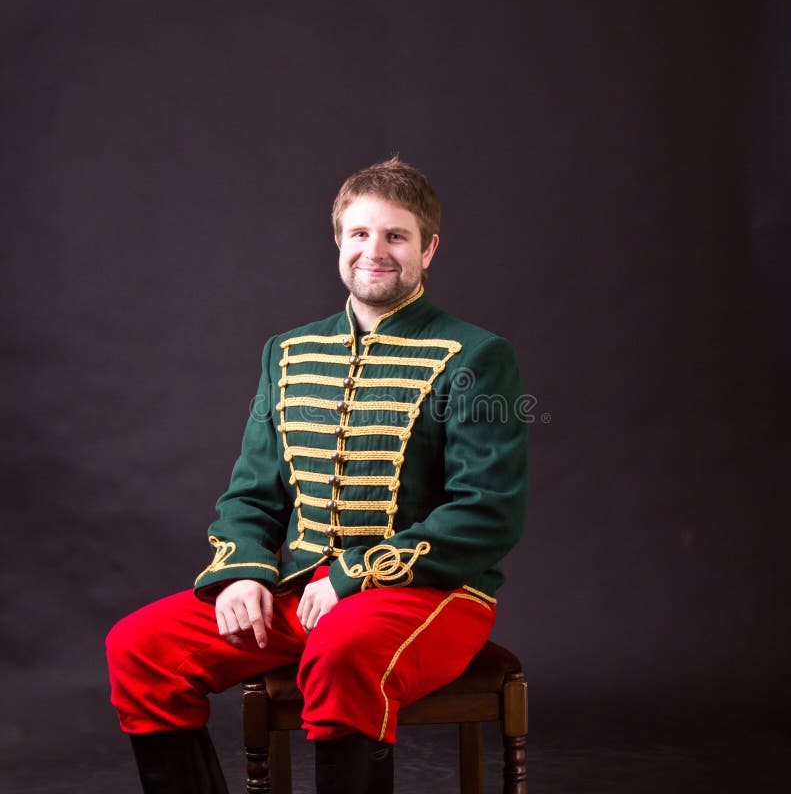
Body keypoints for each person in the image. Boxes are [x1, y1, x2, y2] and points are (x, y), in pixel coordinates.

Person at [106, 156, 529, 794]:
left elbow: (488, 510)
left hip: (434, 595)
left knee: (343, 650)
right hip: (303, 595)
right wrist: (245, 569)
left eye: (396, 236)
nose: (375, 251)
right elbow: (253, 490)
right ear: (339, 242)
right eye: (360, 234)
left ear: (429, 248)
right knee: (140, 647)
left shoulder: (476, 355)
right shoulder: (289, 351)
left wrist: (353, 573)